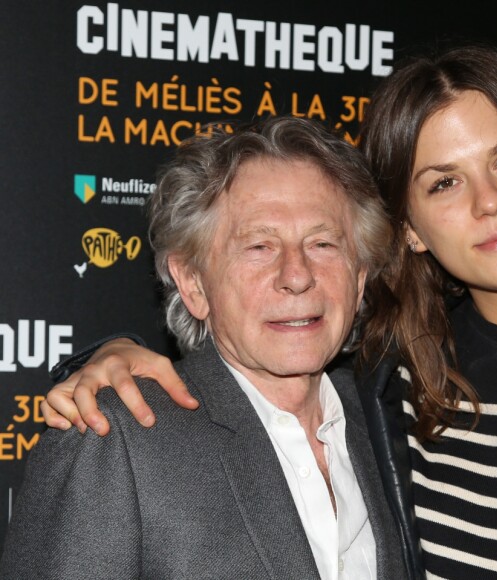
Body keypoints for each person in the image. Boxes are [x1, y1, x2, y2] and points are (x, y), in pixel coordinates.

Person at [39, 45, 497, 579]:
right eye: (259, 246)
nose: (489, 202)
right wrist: (103, 362)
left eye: (323, 243)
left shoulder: (372, 407)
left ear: (361, 270)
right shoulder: (403, 387)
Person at [0, 116, 408, 579]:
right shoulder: (114, 441)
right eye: (259, 246)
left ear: (358, 280)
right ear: (192, 284)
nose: (297, 276)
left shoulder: (392, 428)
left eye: (322, 243)